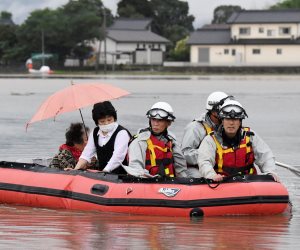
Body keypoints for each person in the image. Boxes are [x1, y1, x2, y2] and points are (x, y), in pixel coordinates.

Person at [197, 99, 278, 182]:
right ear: (222, 121)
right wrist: (211, 175)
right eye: (228, 119)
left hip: (248, 181)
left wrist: (270, 172)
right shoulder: (211, 140)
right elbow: (204, 161)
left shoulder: (250, 136)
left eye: (235, 119)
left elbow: (265, 156)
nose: (231, 123)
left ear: (240, 122)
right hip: (222, 183)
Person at [124, 102, 187, 178]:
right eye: (153, 119)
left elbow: (180, 168)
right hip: (147, 183)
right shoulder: (139, 141)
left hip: (170, 182)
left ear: (168, 123)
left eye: (160, 120)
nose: (155, 124)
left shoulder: (172, 141)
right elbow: (135, 168)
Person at [181, 91, 233, 177]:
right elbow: (185, 154)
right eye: (224, 110)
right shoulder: (195, 128)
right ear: (214, 111)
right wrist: (211, 154)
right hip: (195, 168)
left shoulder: (228, 126)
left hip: (218, 165)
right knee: (199, 177)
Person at [74, 101, 131, 174]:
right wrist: (75, 170)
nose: (106, 123)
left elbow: (118, 157)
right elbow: (86, 154)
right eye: (102, 121)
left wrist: (105, 171)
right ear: (97, 122)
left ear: (114, 118)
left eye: (109, 120)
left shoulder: (122, 133)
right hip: (103, 175)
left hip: (121, 176)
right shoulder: (95, 132)